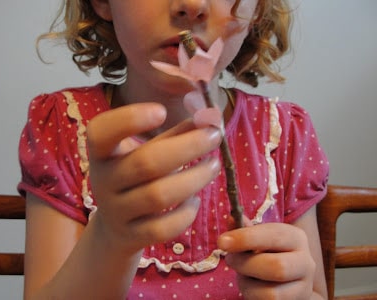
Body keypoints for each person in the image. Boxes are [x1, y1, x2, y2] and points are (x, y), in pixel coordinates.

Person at [18, 0, 329, 299]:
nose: (192, 4)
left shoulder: (283, 134)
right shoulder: (64, 124)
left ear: (258, 7)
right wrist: (110, 238)